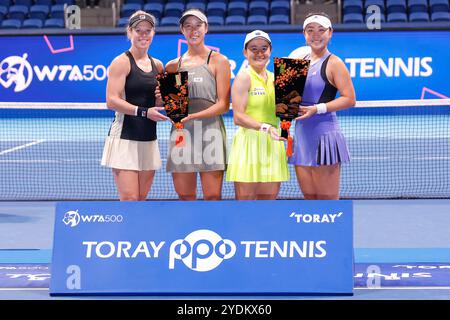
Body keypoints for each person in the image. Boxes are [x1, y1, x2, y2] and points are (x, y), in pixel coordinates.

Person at [101, 11, 169, 201]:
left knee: (141, 199)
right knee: (130, 199)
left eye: (148, 31)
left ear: (153, 33)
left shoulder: (159, 65)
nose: (143, 35)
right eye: (138, 30)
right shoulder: (121, 62)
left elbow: (158, 103)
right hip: (125, 138)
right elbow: (111, 100)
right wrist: (144, 112)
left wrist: (163, 99)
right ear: (130, 32)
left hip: (149, 138)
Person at [288, 13, 356, 200]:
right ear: (304, 34)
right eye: (310, 30)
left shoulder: (335, 63)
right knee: (310, 198)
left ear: (330, 33)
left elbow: (350, 99)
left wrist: (317, 109)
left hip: (325, 137)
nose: (316, 35)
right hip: (302, 136)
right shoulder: (296, 60)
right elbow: (287, 101)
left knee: (328, 201)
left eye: (321, 30)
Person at [165, 9, 231, 200]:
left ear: (206, 28)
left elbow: (224, 105)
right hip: (181, 135)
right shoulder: (172, 66)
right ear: (182, 30)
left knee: (212, 197)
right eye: (188, 26)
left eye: (198, 25)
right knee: (185, 197)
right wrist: (161, 98)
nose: (193, 30)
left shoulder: (219, 61)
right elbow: (171, 104)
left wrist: (193, 116)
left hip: (211, 133)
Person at [226, 30, 289, 200]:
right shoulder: (243, 78)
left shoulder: (279, 79)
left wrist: (286, 126)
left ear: (270, 50)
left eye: (264, 48)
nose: (259, 53)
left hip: (273, 144)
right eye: (254, 49)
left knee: (268, 205)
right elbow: (238, 117)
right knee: (245, 206)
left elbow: (284, 113)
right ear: (245, 52)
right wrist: (265, 127)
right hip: (249, 144)